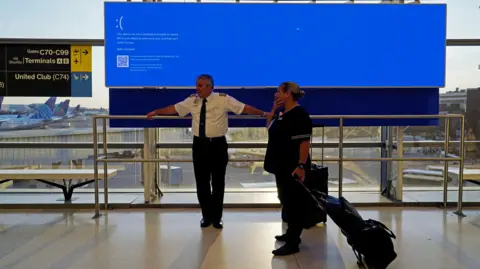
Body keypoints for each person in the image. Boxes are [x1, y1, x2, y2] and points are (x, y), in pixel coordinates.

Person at [146, 74, 269, 229]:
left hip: (217, 144)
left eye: (202, 85)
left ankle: (217, 218)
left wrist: (264, 114)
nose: (198, 88)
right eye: (197, 85)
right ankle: (206, 216)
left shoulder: (223, 99)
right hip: (199, 145)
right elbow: (173, 109)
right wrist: (156, 112)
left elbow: (244, 108)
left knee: (218, 183)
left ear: (211, 87)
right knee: (202, 183)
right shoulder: (192, 100)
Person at [263, 81, 312, 256]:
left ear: (288, 93)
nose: (276, 94)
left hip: (292, 166)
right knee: (285, 199)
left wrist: (300, 165)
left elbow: (304, 142)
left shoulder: (299, 115)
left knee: (294, 202)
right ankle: (291, 233)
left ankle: (293, 241)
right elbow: (269, 128)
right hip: (281, 166)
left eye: (278, 92)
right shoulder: (283, 113)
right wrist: (274, 110)